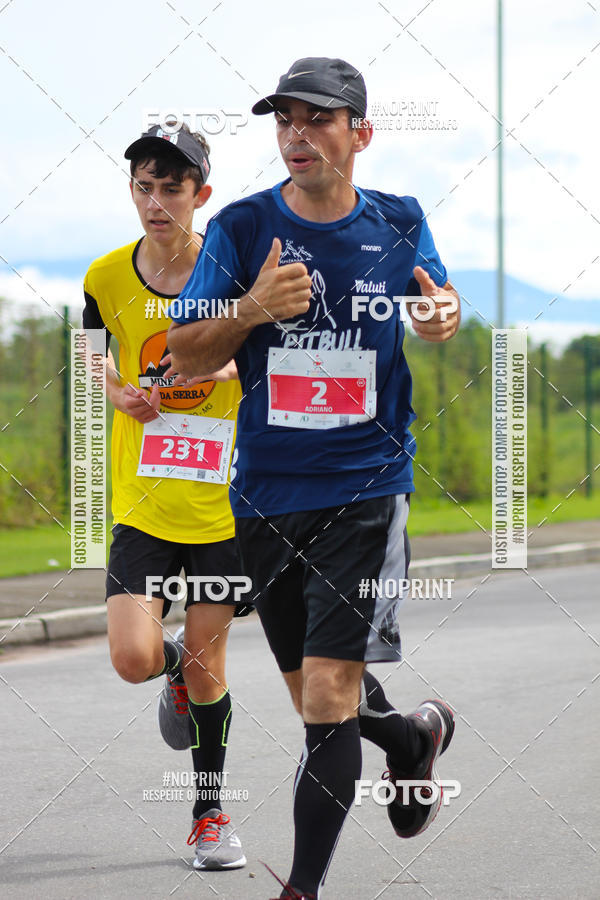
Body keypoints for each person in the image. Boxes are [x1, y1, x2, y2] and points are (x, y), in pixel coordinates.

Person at [167, 57, 460, 899]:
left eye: (317, 119)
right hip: (266, 492)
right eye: (284, 121)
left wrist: (441, 316)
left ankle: (301, 889)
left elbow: (437, 302)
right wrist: (253, 307)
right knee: (316, 700)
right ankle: (410, 740)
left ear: (359, 132)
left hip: (369, 488)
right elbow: (182, 357)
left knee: (329, 692)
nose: (297, 136)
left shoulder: (399, 220)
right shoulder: (247, 229)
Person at [82, 122, 248, 871]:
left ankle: (209, 817)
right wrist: (119, 394)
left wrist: (221, 374)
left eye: (172, 189)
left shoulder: (235, 270)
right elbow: (93, 364)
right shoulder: (105, 277)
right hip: (141, 506)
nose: (156, 202)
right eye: (144, 187)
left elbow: (278, 368)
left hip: (219, 508)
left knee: (214, 673)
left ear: (200, 193)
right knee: (130, 657)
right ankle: (170, 663)